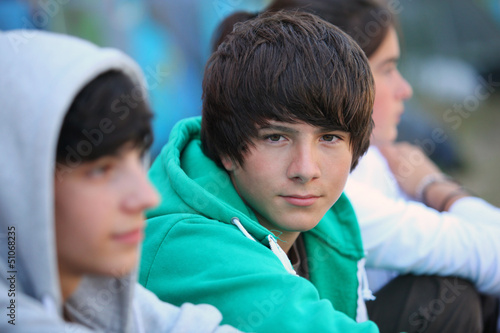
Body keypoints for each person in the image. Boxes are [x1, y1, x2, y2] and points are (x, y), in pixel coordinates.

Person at [214, 1, 500, 332]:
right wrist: (435, 186)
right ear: (341, 78)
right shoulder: (338, 197)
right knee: (449, 295)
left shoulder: (370, 162)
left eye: (329, 137)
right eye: (388, 69)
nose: (404, 89)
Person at [139, 11, 380, 332]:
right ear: (227, 150)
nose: (305, 170)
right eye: (276, 138)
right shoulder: (185, 243)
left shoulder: (327, 218)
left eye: (329, 138)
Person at [0, 30, 240, 332]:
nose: (147, 197)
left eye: (137, 157)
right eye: (101, 169)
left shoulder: (96, 296)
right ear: (15, 181)